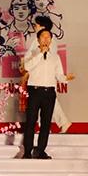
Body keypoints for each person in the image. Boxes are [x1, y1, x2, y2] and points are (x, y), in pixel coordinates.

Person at [21, 28, 75, 159]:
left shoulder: (55, 57)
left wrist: (66, 78)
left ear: (51, 40)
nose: (46, 39)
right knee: (31, 121)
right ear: (38, 40)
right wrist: (41, 54)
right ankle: (27, 151)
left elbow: (59, 75)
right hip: (35, 91)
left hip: (49, 93)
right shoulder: (31, 54)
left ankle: (40, 150)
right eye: (43, 37)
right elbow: (27, 67)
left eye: (48, 37)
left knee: (46, 123)